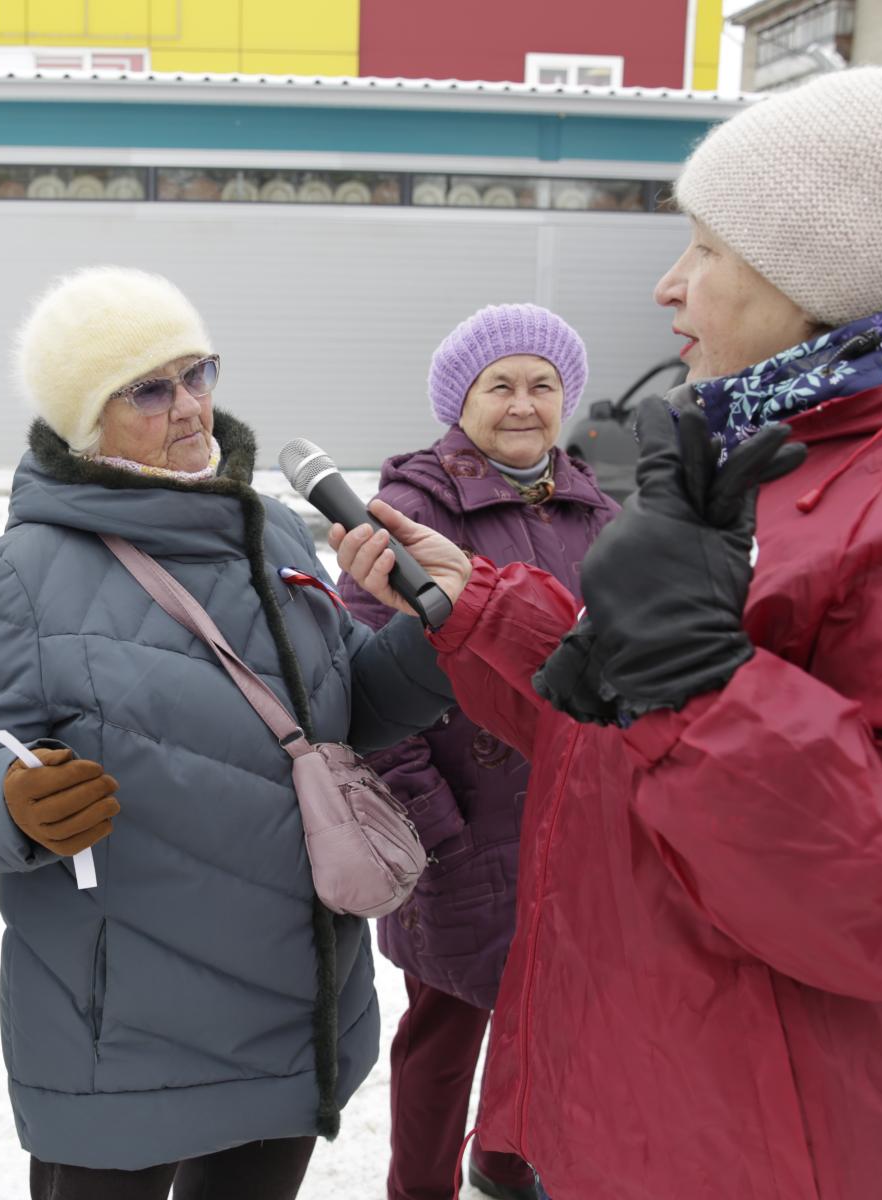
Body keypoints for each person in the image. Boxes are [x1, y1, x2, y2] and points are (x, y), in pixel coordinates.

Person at [330, 67, 882, 1199]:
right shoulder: (793, 456)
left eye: (708, 249)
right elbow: (636, 739)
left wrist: (695, 679)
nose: (671, 287)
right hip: (679, 1106)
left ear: (822, 271)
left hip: (805, 1148)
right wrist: (485, 609)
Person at [0, 265, 456, 1200]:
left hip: (291, 1009)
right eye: (149, 390)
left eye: (197, 373)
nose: (192, 407)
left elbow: (336, 714)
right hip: (119, 1034)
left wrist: (433, 644)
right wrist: (13, 804)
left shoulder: (274, 533)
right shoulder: (28, 571)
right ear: (88, 419)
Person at [335, 304, 617, 1200]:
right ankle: (422, 1188)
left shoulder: (599, 512)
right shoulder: (412, 509)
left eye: (543, 385)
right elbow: (365, 685)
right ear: (462, 402)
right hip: (461, 828)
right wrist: (432, 823)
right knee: (447, 1032)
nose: (524, 405)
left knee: (557, 1023)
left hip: (576, 823)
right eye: (501, 385)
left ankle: (507, 1165)